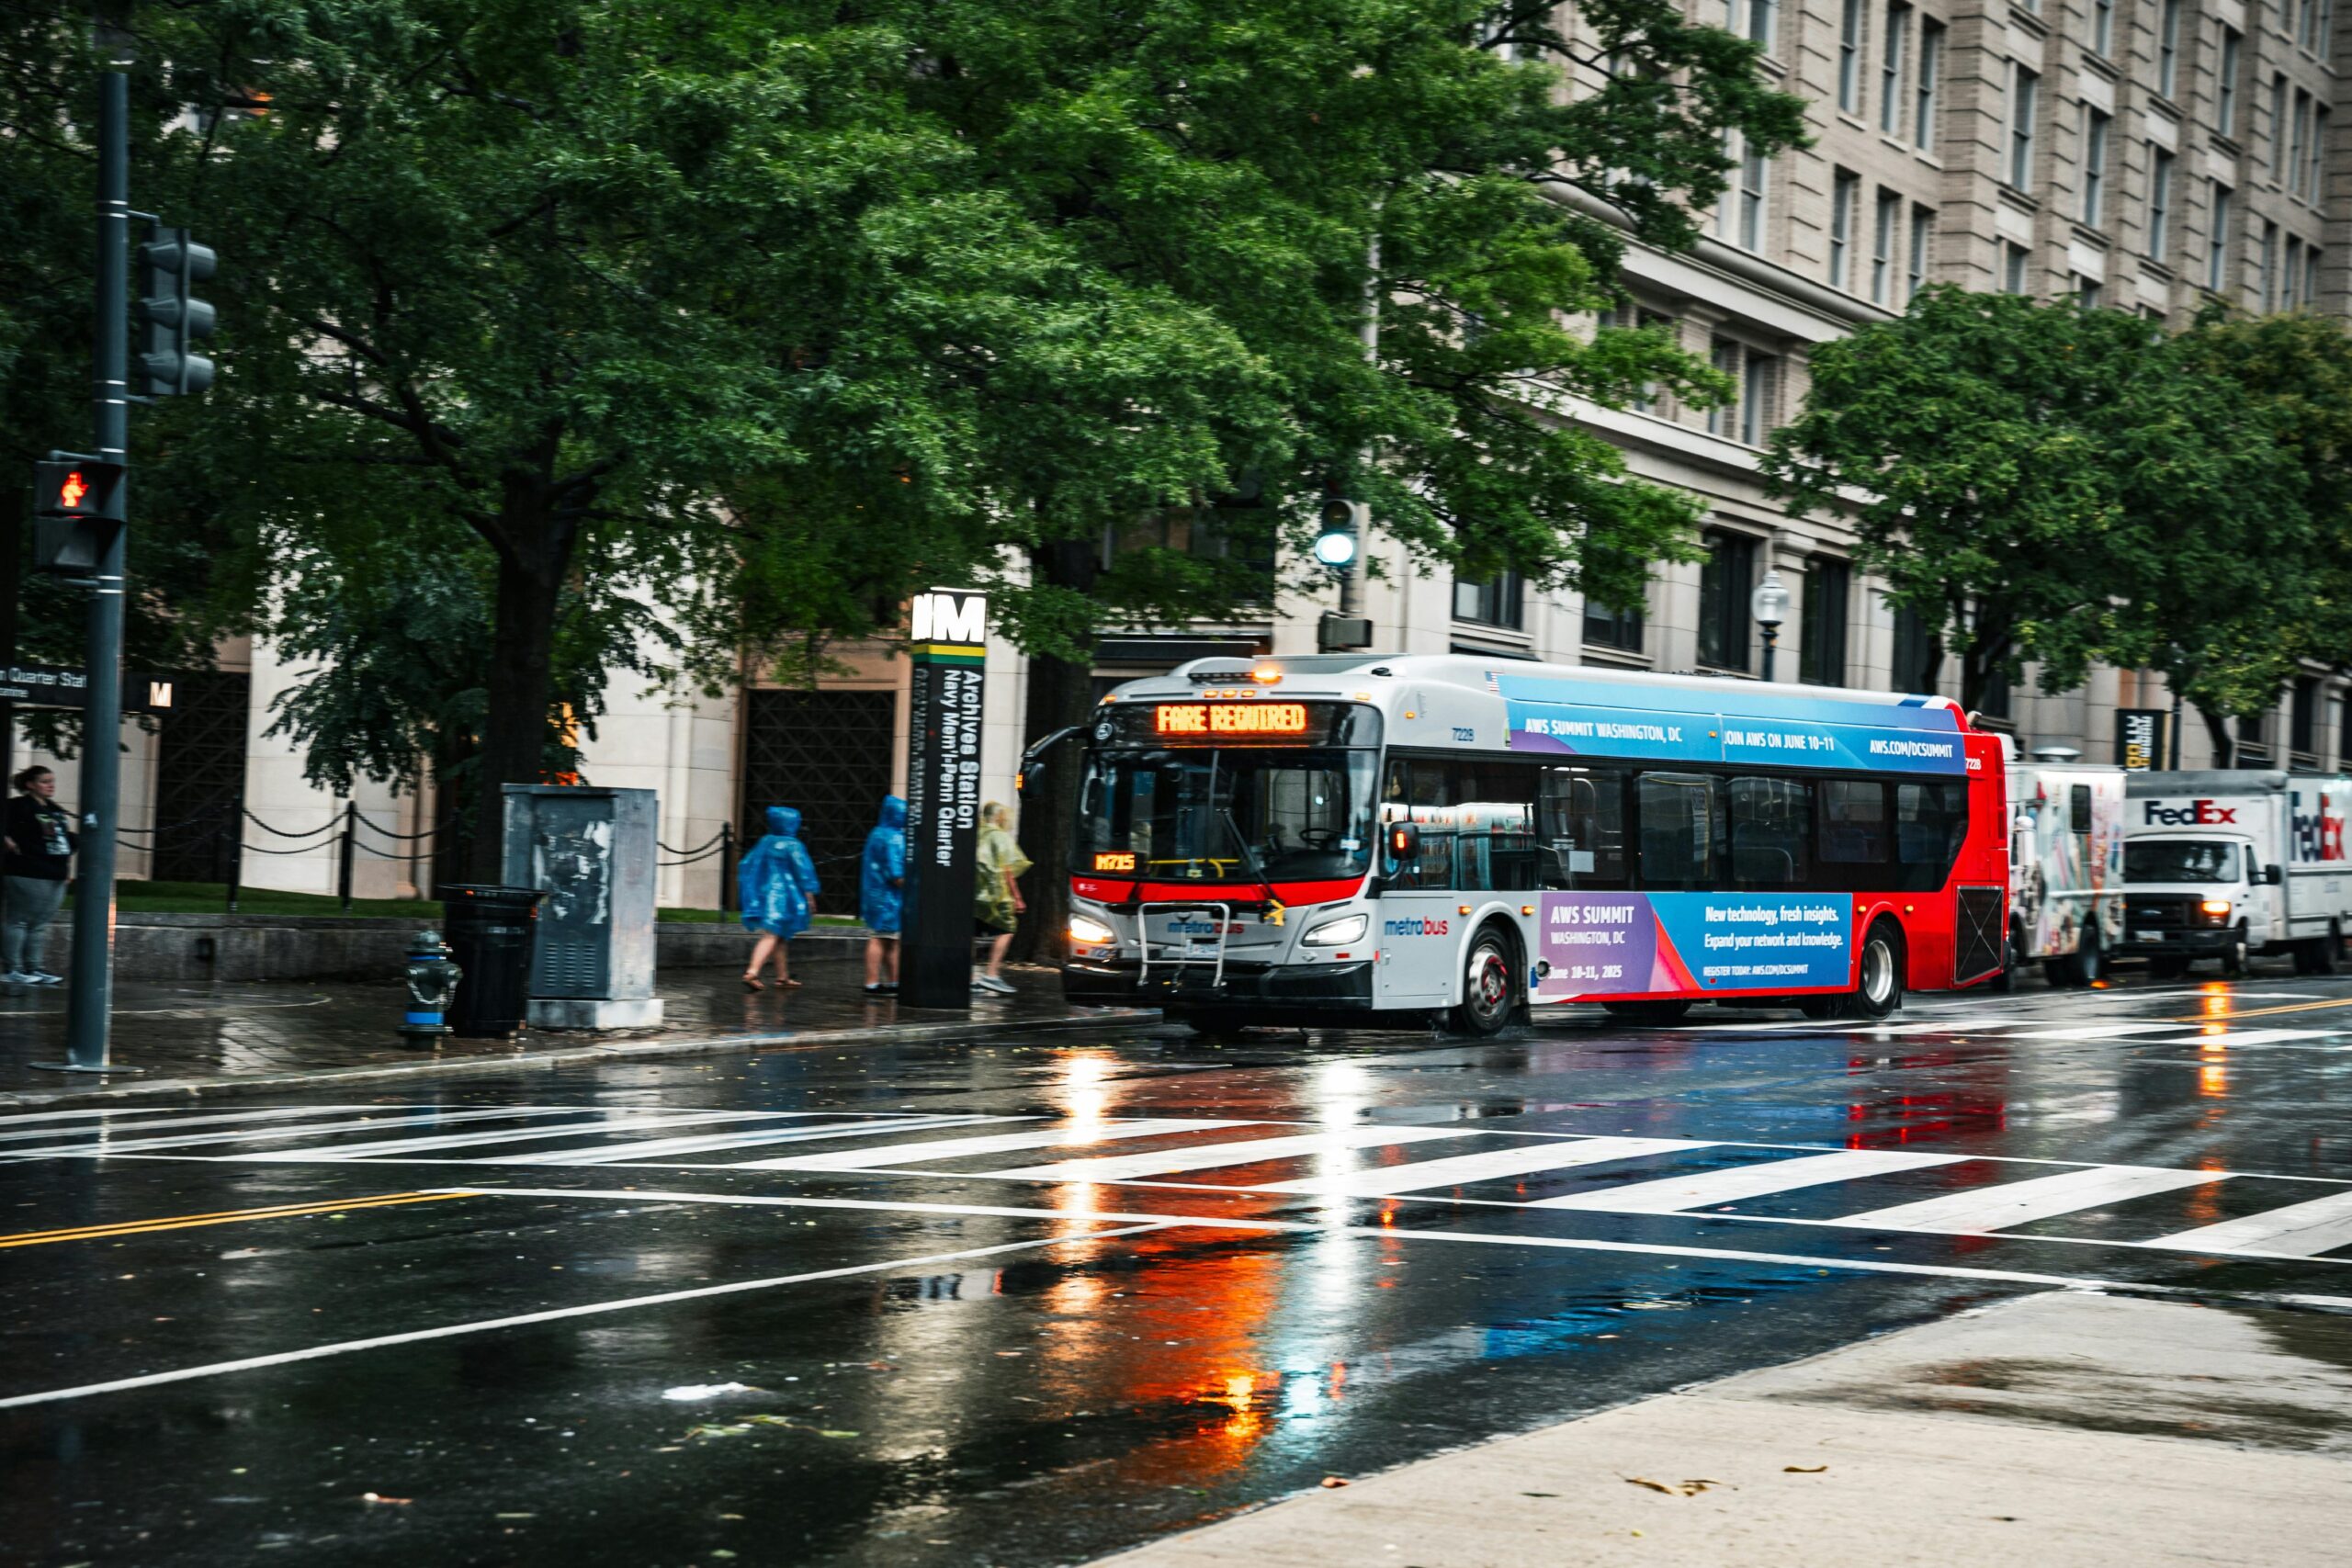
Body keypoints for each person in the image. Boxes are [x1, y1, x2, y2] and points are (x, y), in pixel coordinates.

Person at [2, 765, 74, 988]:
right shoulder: (18, 806)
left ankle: (34, 967)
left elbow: (62, 840)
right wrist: (8, 841)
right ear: (30, 784)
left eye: (52, 781)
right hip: (27, 870)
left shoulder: (54, 809)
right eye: (44, 781)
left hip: (53, 872)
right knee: (20, 920)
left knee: (39, 923)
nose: (50, 785)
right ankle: (13, 968)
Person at [736, 806, 820, 991]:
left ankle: (782, 977)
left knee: (779, 936)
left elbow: (747, 864)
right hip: (784, 898)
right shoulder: (793, 845)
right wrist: (810, 895)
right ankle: (752, 972)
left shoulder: (766, 842)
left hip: (766, 895)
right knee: (772, 935)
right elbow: (803, 872)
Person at [972, 800, 1031, 996]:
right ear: (999, 816)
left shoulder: (976, 833)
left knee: (971, 932)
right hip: (995, 895)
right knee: (1007, 928)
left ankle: (969, 977)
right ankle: (992, 974)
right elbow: (1006, 869)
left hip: (973, 893)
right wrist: (1017, 896)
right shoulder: (999, 837)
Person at [861, 795, 907, 995]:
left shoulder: (877, 833)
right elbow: (896, 873)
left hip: (875, 893)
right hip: (889, 897)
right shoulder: (894, 838)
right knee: (882, 938)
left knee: (889, 939)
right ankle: (873, 982)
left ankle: (894, 981)